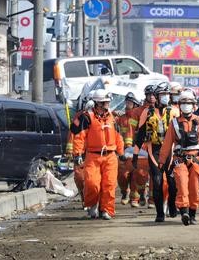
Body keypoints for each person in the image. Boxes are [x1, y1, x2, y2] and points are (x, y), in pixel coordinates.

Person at [158, 91, 199, 226]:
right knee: (182, 186)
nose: (186, 106)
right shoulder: (174, 123)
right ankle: (184, 212)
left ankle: (193, 213)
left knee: (194, 188)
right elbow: (167, 143)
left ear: (193, 105)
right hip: (180, 159)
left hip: (196, 160)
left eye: (188, 103)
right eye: (183, 103)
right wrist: (161, 161)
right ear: (180, 105)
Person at [72, 89, 126, 219]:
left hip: (110, 156)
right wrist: (77, 154)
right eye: (105, 102)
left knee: (109, 184)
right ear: (98, 103)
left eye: (107, 102)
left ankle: (106, 210)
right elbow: (80, 136)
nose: (107, 104)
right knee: (92, 183)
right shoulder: (87, 117)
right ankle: (92, 205)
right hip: (93, 155)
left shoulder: (112, 117)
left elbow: (118, 136)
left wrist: (121, 152)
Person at [133, 81, 178, 222]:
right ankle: (159, 213)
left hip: (170, 150)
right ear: (156, 97)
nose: (166, 97)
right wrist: (135, 155)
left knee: (172, 182)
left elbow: (181, 133)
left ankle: (171, 205)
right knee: (157, 182)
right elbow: (140, 135)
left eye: (167, 94)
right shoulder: (147, 112)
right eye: (163, 94)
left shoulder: (175, 112)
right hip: (155, 151)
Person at [116, 92, 147, 208]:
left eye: (130, 102)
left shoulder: (140, 117)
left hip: (137, 149)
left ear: (135, 104)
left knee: (136, 174)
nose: (128, 104)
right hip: (123, 150)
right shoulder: (121, 118)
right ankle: (125, 192)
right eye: (127, 102)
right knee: (122, 175)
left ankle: (135, 198)